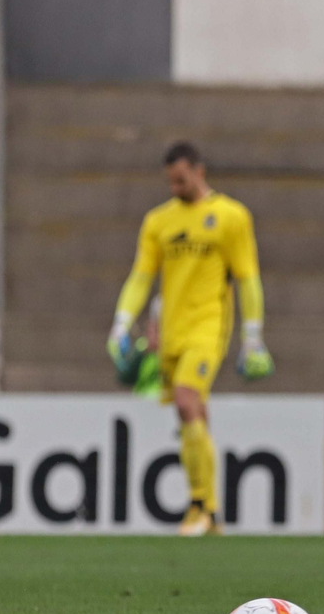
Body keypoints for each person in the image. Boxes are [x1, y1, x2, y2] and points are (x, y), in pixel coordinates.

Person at [107, 142, 273, 536]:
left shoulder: (231, 217)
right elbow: (141, 277)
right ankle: (211, 513)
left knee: (185, 399)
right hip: (171, 332)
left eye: (181, 179)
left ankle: (198, 506)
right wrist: (121, 322)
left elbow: (248, 279)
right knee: (190, 413)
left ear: (200, 171)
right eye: (170, 181)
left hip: (208, 326)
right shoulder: (158, 221)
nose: (175, 187)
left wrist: (253, 337)